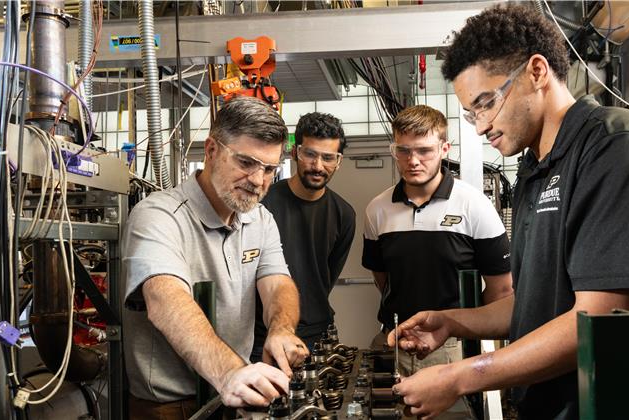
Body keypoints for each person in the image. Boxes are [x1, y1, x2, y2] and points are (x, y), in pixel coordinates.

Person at [387, 4, 629, 420]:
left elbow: (597, 319)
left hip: (624, 408)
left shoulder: (619, 147)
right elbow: (536, 303)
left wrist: (461, 376)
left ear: (537, 72)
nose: (480, 126)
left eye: (486, 103)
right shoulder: (534, 170)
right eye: (471, 113)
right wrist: (452, 321)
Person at [123, 96, 309, 419]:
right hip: (170, 407)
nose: (258, 181)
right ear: (211, 151)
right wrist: (229, 372)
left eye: (269, 169)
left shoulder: (260, 220)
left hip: (234, 395)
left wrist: (281, 328)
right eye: (246, 163)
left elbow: (278, 285)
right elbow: (166, 302)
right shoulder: (157, 216)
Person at [362, 104, 513, 416]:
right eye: (403, 150)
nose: (413, 161)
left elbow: (501, 290)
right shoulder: (377, 210)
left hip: (452, 348)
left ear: (445, 148)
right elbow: (382, 278)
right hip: (393, 343)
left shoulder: (474, 205)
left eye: (424, 150)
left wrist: (462, 330)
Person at [251, 112, 356, 360]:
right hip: (261, 337)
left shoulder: (344, 214)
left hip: (319, 335)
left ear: (338, 160)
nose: (318, 166)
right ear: (295, 152)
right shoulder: (262, 203)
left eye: (328, 157)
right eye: (310, 154)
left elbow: (325, 278)